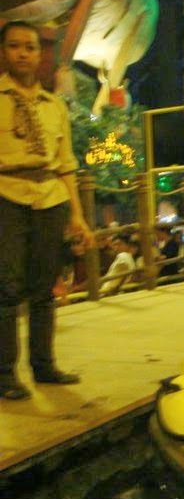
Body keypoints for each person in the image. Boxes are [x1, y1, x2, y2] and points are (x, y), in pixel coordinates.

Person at [0, 20, 93, 400]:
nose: (23, 53)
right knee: (6, 288)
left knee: (44, 289)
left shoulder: (55, 106)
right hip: (6, 194)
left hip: (51, 198)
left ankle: (44, 366)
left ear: (40, 54)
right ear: (4, 51)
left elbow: (67, 164)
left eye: (30, 47)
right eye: (14, 46)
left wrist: (77, 215)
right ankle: (5, 374)